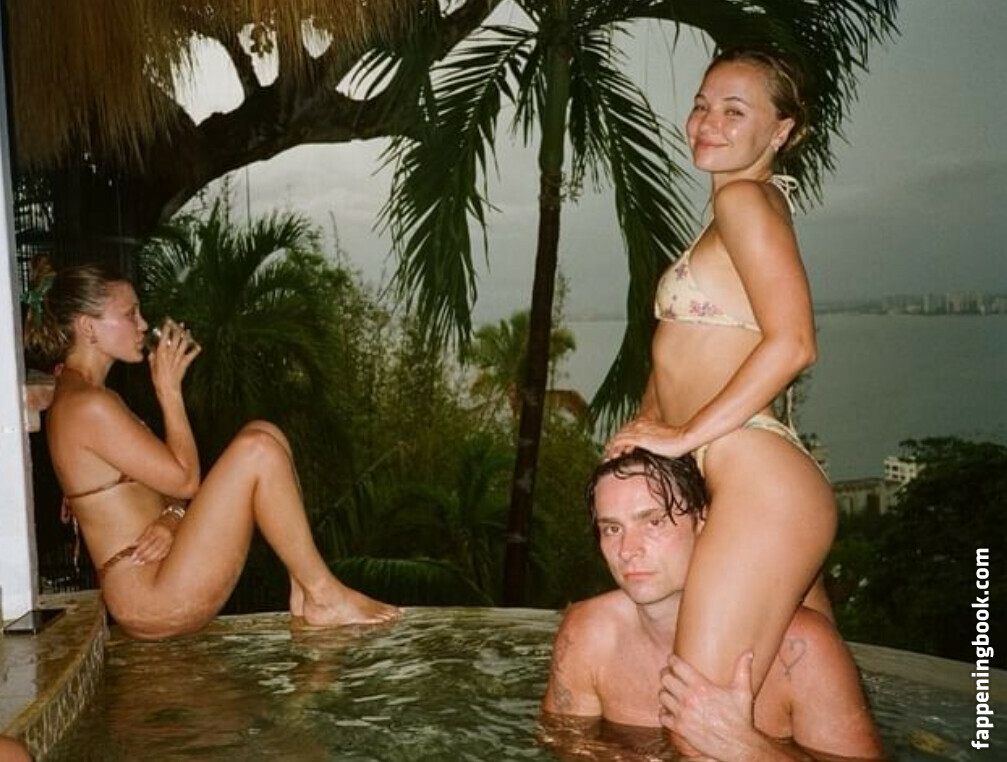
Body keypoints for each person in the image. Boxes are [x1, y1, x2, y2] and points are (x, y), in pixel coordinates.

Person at [604, 46, 837, 728]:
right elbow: (679, 357)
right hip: (744, 483)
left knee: (698, 720)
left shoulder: (743, 200)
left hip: (755, 479)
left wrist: (680, 435)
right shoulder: (736, 208)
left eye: (734, 111)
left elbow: (794, 343)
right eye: (702, 105)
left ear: (781, 131)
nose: (707, 122)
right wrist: (643, 442)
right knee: (796, 712)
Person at [23, 260, 399, 640]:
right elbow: (186, 480)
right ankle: (323, 593)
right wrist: (169, 392)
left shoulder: (92, 396)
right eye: (130, 313)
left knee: (264, 432)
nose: (143, 324)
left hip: (165, 573)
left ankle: (304, 591)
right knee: (257, 450)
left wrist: (172, 518)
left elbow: (165, 487)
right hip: (150, 597)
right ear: (88, 327)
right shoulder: (88, 406)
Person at [541, 450, 884, 761]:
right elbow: (565, 746)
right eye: (612, 528)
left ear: (704, 522)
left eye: (654, 521)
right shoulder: (588, 634)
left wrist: (746, 748)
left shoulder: (802, 648)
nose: (628, 549)